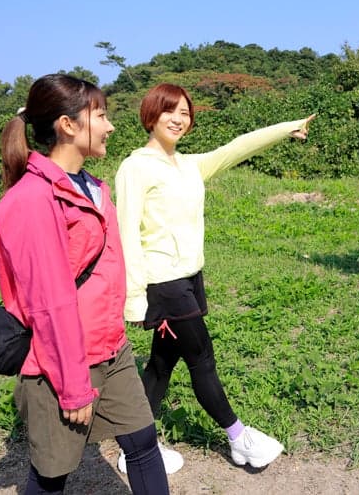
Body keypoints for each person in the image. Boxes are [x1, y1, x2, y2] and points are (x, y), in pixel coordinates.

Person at [115, 83, 315, 470]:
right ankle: (239, 438)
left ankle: (134, 449)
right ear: (151, 115)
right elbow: (126, 234)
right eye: (170, 111)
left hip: (189, 277)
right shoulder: (135, 167)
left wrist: (285, 128)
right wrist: (134, 299)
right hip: (163, 283)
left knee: (161, 365)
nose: (179, 119)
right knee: (202, 358)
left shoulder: (188, 165)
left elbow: (235, 148)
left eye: (185, 113)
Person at [0, 74, 170, 494]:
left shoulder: (92, 187)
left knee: (143, 443)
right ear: (68, 125)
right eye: (101, 116)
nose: (110, 126)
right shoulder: (32, 200)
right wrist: (73, 387)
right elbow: (48, 302)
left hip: (110, 346)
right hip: (62, 361)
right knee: (51, 475)